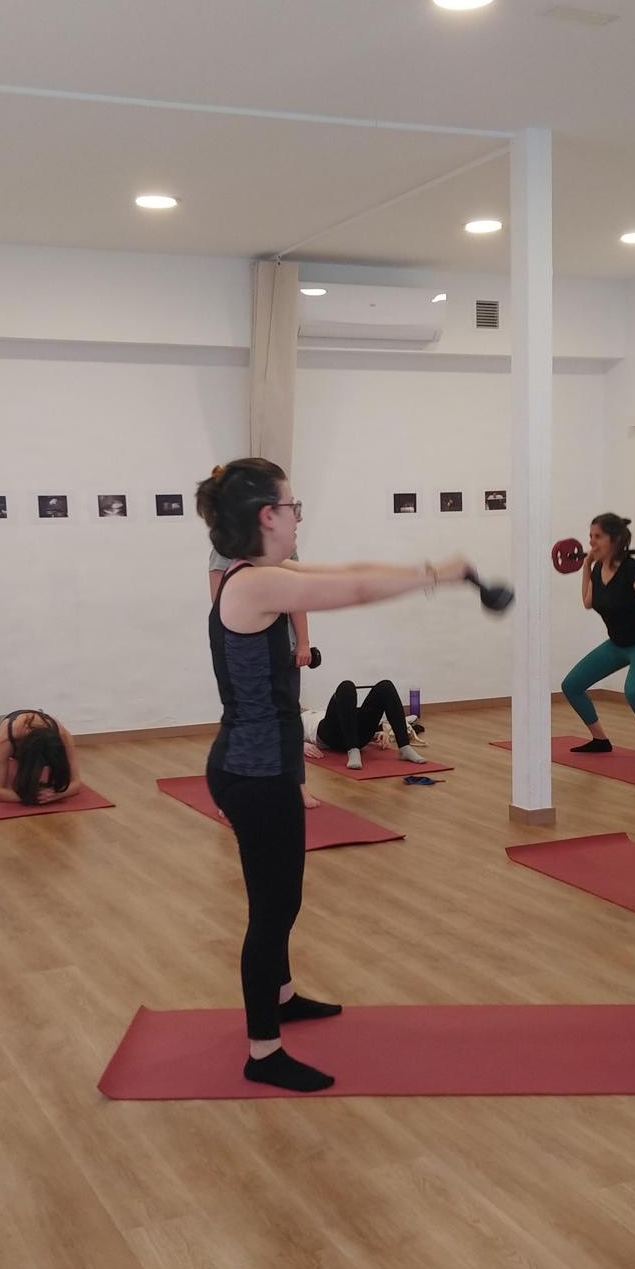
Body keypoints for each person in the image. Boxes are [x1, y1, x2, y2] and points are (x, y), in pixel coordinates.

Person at [197, 456, 471, 1092]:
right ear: (267, 515)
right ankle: (263, 1052)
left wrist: (428, 569)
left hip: (265, 764)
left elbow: (347, 573)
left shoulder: (262, 574)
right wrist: (433, 574)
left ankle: (283, 996)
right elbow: (354, 592)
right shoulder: (251, 586)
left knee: (283, 898)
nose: (298, 518)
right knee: (273, 908)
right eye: (292, 507)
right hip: (252, 772)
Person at [209, 543, 319, 806]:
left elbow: (297, 595)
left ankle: (297, 785)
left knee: (289, 719)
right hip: (245, 650)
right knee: (247, 722)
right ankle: (234, 792)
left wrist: (303, 642)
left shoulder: (284, 548)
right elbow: (219, 601)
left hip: (282, 647)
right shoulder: (227, 546)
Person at [561, 512, 635, 770]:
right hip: (618, 644)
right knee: (572, 685)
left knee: (633, 692)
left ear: (614, 539)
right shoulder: (598, 568)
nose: (591, 542)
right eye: (590, 536)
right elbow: (588, 602)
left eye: (597, 537)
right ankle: (600, 740)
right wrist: (586, 566)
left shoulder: (631, 569)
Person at [0, 710, 82, 806]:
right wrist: (32, 797)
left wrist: (56, 795)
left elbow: (76, 784)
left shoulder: (61, 736)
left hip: (27, 739)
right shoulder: (6, 738)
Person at [302, 679, 428, 770]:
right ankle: (353, 750)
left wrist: (376, 733)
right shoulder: (299, 718)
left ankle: (404, 747)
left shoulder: (317, 710)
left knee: (385, 686)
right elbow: (289, 735)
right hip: (331, 736)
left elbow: (348, 719)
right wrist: (302, 745)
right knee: (346, 686)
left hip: (357, 736)